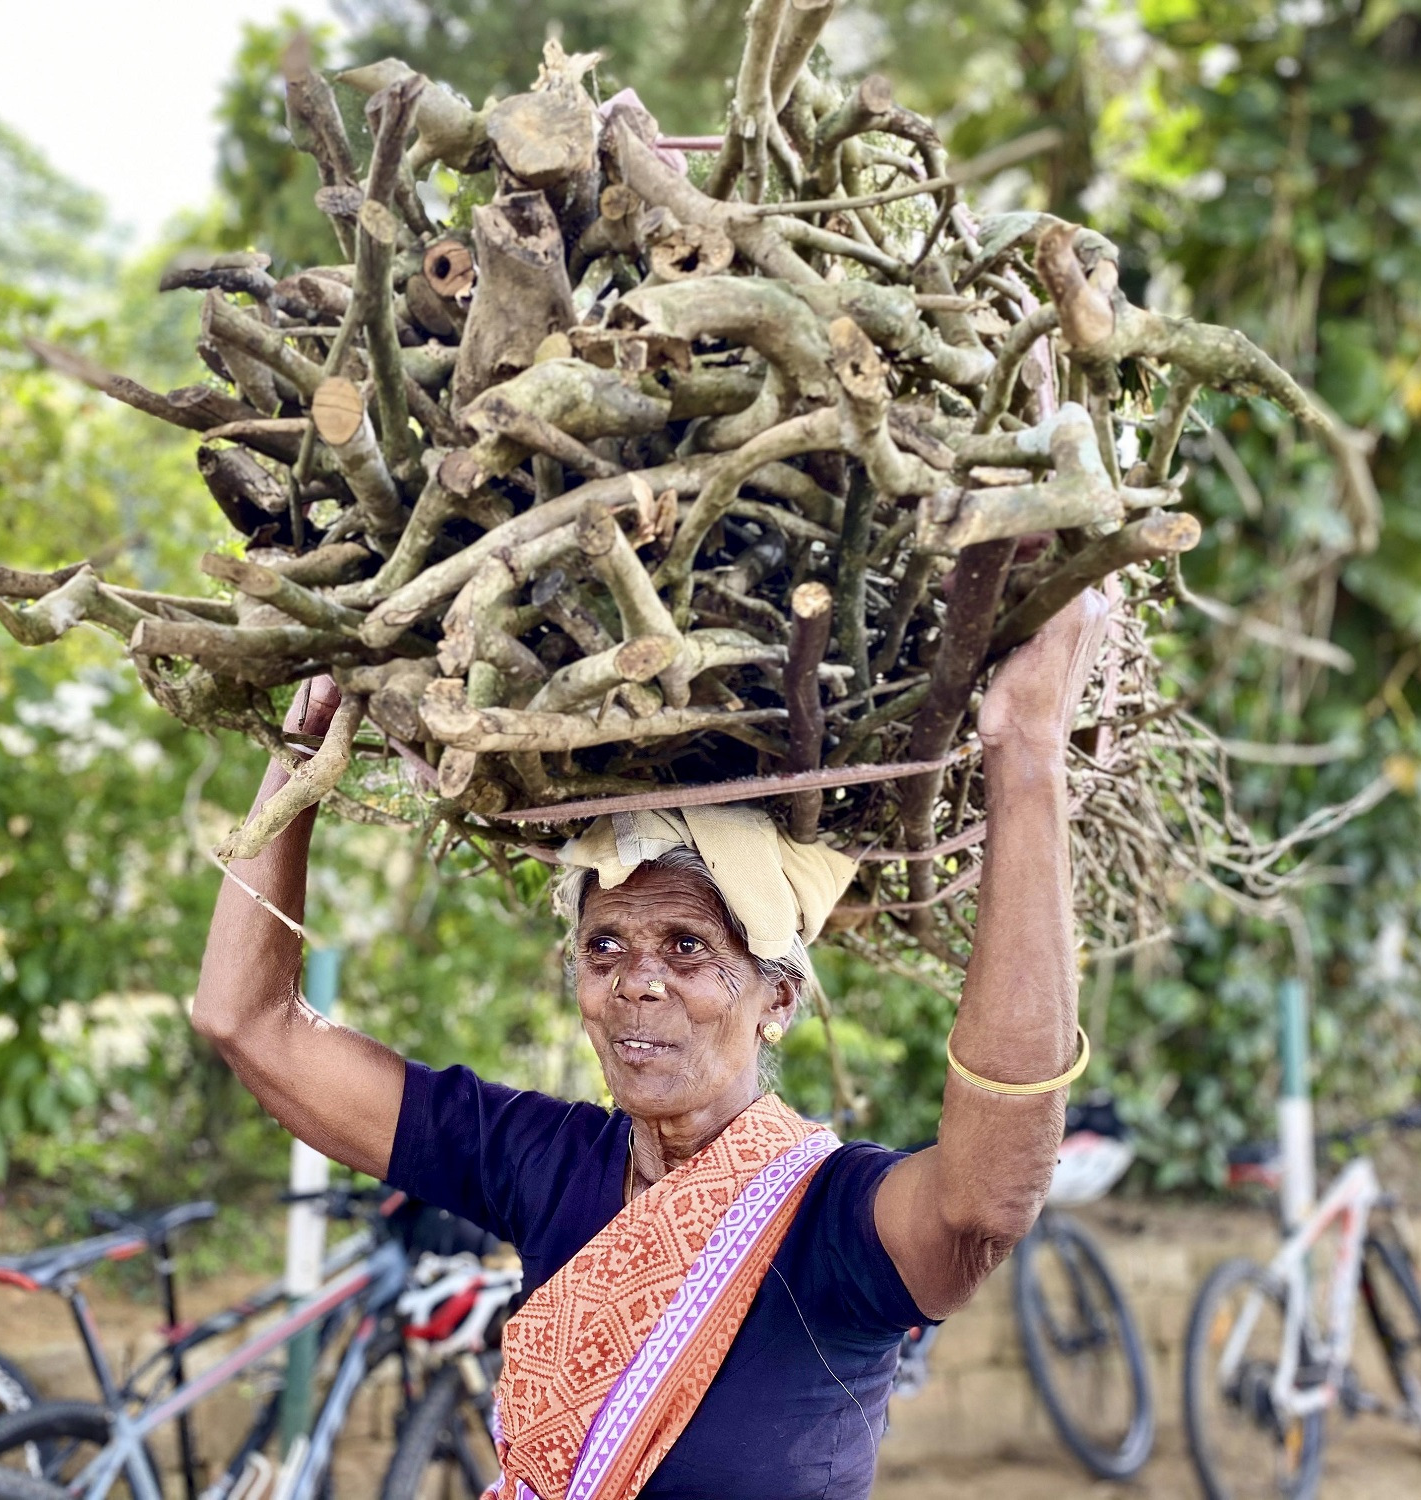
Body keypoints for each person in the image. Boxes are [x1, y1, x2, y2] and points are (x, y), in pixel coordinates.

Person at [192, 592, 1110, 1500]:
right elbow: (250, 1022)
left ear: (775, 999)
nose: (637, 981)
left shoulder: (836, 1226)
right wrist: (301, 760)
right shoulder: (542, 1161)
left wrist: (1025, 755)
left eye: (687, 947)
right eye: (605, 947)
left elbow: (986, 1202)